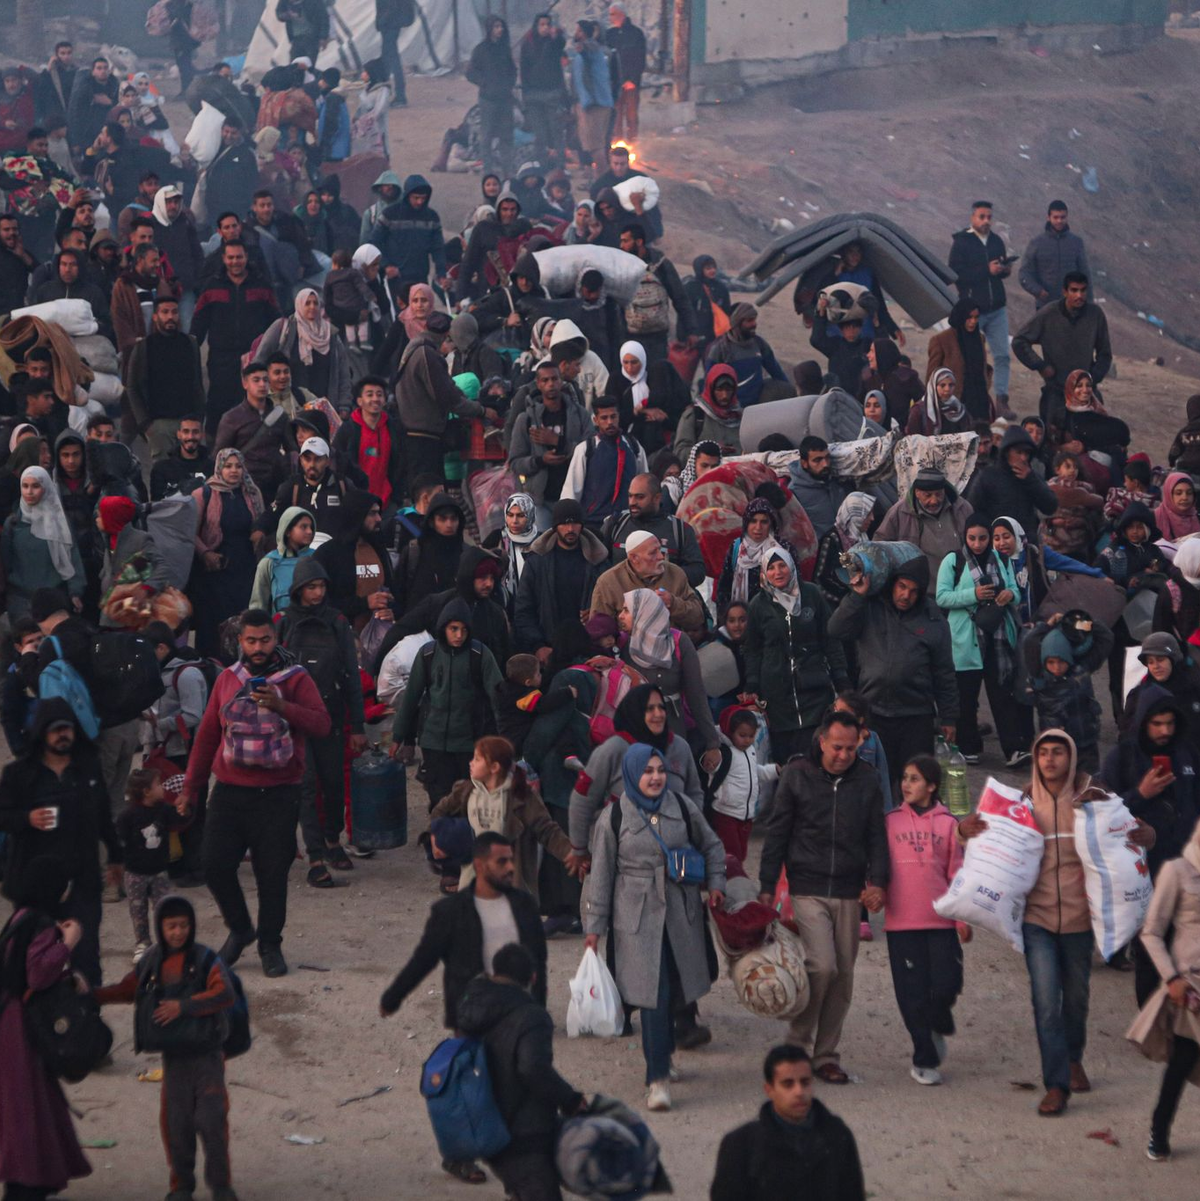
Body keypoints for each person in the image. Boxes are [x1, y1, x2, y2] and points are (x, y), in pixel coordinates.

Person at [961, 732, 1146, 1113]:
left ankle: (1074, 1058)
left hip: (1080, 921)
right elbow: (988, 844)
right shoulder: (1022, 803)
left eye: (1057, 752)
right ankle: (1056, 1084)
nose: (1049, 760)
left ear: (1071, 757)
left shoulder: (1095, 799)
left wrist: (1148, 834)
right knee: (1046, 1002)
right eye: (1042, 753)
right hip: (1037, 921)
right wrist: (964, 831)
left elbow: (1131, 835)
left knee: (1076, 999)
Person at [380, 832, 546, 1182]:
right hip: (472, 1013)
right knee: (468, 1090)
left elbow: (538, 961)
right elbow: (424, 958)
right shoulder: (451, 912)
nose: (511, 867)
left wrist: (539, 1009)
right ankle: (459, 1156)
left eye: (512, 860)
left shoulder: (524, 906)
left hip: (516, 1013)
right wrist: (394, 996)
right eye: (502, 861)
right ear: (481, 866)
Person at [182, 609, 331, 978]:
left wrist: (281, 706)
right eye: (251, 641)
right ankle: (240, 929)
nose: (259, 647)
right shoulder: (227, 679)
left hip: (278, 794)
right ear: (240, 642)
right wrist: (190, 789)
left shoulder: (296, 679)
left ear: (276, 638)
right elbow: (207, 736)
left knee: (272, 874)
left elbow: (322, 724)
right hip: (229, 792)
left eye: (265, 639)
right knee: (214, 864)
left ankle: (269, 944)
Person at [584, 742, 725, 1110]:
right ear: (632, 774)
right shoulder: (614, 817)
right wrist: (594, 928)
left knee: (677, 987)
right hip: (637, 920)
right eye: (647, 771)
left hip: (681, 914)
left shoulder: (682, 806)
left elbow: (712, 846)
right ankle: (657, 1078)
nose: (656, 777)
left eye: (660, 770)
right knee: (651, 994)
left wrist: (716, 884)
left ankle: (665, 1054)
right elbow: (600, 875)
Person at [756, 708, 887, 1081]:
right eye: (837, 747)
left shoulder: (867, 779)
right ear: (822, 741)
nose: (843, 755)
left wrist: (878, 881)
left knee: (843, 976)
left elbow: (876, 835)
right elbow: (777, 832)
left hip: (849, 890)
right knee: (822, 966)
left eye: (850, 749)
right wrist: (767, 885)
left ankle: (826, 1055)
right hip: (806, 887)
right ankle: (797, 1046)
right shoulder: (797, 775)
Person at [95, 893, 239, 1201]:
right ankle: (181, 1187)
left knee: (212, 1120)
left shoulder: (205, 958)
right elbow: (127, 990)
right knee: (177, 1124)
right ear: (160, 927)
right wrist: (91, 995)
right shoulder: (151, 961)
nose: (178, 932)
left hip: (208, 1055)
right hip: (174, 1060)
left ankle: (221, 1186)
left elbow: (225, 994)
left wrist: (183, 1006)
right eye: (171, 926)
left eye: (184, 925)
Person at [458, 941, 589, 1201]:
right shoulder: (532, 1017)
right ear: (533, 978)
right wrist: (571, 1100)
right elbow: (532, 1068)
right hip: (522, 1134)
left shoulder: (471, 1004)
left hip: (482, 1122)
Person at [0, 855, 94, 1201]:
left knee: (29, 1101)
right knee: (28, 1104)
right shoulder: (40, 923)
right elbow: (38, 974)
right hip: (22, 1027)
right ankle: (26, 1181)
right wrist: (67, 943)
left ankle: (35, 1178)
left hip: (11, 1019)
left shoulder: (20, 917)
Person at [1102, 683, 1200, 1005]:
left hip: (1187, 870)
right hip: (1141, 875)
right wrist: (1140, 795)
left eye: (1170, 723)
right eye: (1157, 724)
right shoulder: (1122, 758)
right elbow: (1101, 815)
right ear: (1144, 722)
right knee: (1149, 951)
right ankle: (1150, 1016)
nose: (1164, 731)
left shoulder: (1187, 754)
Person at [828, 553, 957, 779]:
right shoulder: (870, 608)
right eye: (902, 587)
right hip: (873, 713)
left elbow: (944, 672)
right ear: (892, 584)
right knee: (875, 780)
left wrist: (949, 717)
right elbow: (835, 629)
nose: (906, 595)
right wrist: (857, 596)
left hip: (916, 717)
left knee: (915, 783)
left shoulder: (933, 620)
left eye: (913, 591)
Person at [277, 559, 365, 888]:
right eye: (311, 587)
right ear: (299, 589)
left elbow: (352, 675)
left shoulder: (337, 622)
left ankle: (332, 839)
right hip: (296, 720)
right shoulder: (284, 623)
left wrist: (358, 726)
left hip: (331, 717)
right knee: (307, 785)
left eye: (321, 586)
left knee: (333, 783)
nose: (317, 593)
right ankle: (315, 855)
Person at [883, 755, 966, 1085]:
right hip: (901, 923)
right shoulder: (890, 822)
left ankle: (939, 1018)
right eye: (904, 777)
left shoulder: (948, 825)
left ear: (932, 786)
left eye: (915, 779)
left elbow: (958, 872)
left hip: (941, 921)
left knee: (948, 983)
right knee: (912, 995)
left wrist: (962, 918)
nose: (906, 784)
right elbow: (878, 866)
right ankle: (924, 1057)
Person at [1127, 822, 1200, 1161]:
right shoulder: (1178, 871)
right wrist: (1171, 978)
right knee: (1183, 1059)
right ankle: (1160, 1128)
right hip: (1191, 988)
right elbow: (1151, 931)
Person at [710, 1045, 865, 1201]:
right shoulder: (740, 1145)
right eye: (788, 1084)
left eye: (805, 1082)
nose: (799, 1092)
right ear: (769, 1090)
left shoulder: (837, 1135)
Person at [428, 734, 577, 897]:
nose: (471, 763)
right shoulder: (467, 791)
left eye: (477, 759)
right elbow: (439, 812)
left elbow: (546, 830)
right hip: (472, 880)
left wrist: (572, 853)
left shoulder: (521, 797)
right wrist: (436, 838)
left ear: (494, 767)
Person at [935, 514, 1030, 766]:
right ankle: (968, 747)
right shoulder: (953, 560)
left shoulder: (1000, 558)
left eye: (983, 538)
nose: (977, 544)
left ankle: (1013, 749)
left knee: (1002, 695)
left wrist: (1009, 594)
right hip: (965, 638)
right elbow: (942, 597)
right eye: (972, 538)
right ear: (964, 537)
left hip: (997, 637)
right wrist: (974, 594)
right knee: (966, 697)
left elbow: (1016, 591)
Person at [193, 241, 281, 436]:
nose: (235, 262)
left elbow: (276, 322)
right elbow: (199, 322)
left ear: (246, 257)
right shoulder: (211, 286)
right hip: (221, 358)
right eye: (231, 257)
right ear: (224, 259)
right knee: (218, 402)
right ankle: (215, 445)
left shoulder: (261, 285)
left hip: (255, 357)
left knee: (254, 402)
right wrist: (190, 350)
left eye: (239, 257)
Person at [190, 448, 265, 659]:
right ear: (219, 468)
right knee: (213, 627)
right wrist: (205, 553)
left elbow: (262, 522)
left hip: (245, 569)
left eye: (238, 466)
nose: (234, 471)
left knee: (242, 622)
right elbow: (190, 533)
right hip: (214, 572)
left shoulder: (252, 493)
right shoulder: (203, 494)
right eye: (228, 466)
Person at [1012, 271, 1111, 430]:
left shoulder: (1095, 315)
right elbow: (1020, 341)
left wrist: (1093, 378)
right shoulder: (1049, 314)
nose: (1079, 295)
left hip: (1086, 394)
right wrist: (1040, 365)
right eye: (1074, 290)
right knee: (1053, 438)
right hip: (1056, 392)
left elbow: (1105, 354)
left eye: (1083, 290)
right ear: (1065, 292)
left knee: (1092, 438)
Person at [514, 498, 608, 657]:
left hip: (589, 650)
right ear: (555, 526)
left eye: (575, 523)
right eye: (564, 523)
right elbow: (524, 610)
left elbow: (612, 606)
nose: (570, 529)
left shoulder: (598, 562)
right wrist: (538, 646)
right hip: (550, 649)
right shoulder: (537, 563)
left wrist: (596, 614)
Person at [115, 767, 192, 960]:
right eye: (158, 784)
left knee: (164, 909)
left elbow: (180, 819)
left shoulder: (164, 809)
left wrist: (185, 809)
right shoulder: (128, 815)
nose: (162, 787)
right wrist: (118, 864)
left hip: (159, 871)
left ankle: (166, 943)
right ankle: (143, 943)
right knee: (138, 911)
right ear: (146, 791)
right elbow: (119, 841)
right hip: (135, 873)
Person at [124, 296, 206, 462]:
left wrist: (199, 417)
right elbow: (132, 387)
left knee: (193, 471)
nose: (170, 317)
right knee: (163, 472)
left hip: (188, 422)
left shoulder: (190, 344)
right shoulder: (144, 347)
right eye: (165, 312)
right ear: (155, 316)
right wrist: (145, 423)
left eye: (174, 312)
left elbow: (197, 384)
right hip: (159, 424)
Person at [948, 201, 1012, 407]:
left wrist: (1004, 270)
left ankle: (1001, 400)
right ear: (972, 218)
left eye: (989, 217)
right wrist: (986, 270)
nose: (986, 221)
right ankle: (967, 398)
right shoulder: (962, 242)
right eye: (982, 217)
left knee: (1002, 356)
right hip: (973, 311)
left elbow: (998, 273)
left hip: (997, 308)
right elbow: (956, 275)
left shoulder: (996, 241)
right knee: (970, 357)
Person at [1, 466, 85, 622]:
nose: (29, 492)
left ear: (46, 488)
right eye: (25, 486)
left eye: (35, 486)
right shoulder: (13, 523)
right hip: (19, 600)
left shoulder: (59, 522)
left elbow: (72, 557)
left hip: (53, 599)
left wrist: (75, 592)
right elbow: (6, 563)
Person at [314, 488, 397, 630]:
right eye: (372, 513)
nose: (379, 519)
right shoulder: (327, 553)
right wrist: (365, 603)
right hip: (341, 632)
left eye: (379, 513)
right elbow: (320, 602)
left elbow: (394, 592)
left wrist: (392, 611)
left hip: (380, 632)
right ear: (357, 515)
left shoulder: (379, 549)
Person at [602, 473, 705, 587]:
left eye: (640, 497)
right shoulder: (615, 524)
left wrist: (663, 576)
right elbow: (598, 562)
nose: (632, 502)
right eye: (630, 496)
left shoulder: (680, 530)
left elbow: (697, 571)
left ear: (657, 498)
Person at [560, 394, 646, 529]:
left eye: (613, 416)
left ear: (619, 417)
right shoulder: (585, 449)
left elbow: (644, 484)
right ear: (595, 420)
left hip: (628, 523)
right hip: (592, 523)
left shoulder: (634, 447)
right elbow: (572, 490)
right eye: (604, 418)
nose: (610, 422)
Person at [875, 466, 973, 578]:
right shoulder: (899, 512)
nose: (934, 501)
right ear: (917, 492)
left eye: (939, 494)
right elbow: (879, 545)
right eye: (928, 495)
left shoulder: (962, 508)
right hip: (919, 585)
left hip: (960, 584)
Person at [966, 423, 1059, 541]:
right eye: (1019, 452)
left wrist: (1030, 480)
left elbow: (1050, 506)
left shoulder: (1031, 475)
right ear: (1007, 452)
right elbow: (973, 511)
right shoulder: (988, 476)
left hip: (1026, 542)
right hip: (998, 543)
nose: (1023, 458)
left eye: (1026, 453)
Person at [618, 224, 693, 367]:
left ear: (639, 242)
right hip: (631, 337)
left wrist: (691, 330)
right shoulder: (621, 266)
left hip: (657, 338)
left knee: (657, 374)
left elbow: (680, 297)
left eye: (625, 241)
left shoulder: (661, 265)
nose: (621, 246)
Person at [369, 173, 448, 288]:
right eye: (416, 198)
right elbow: (375, 242)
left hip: (420, 276)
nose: (420, 202)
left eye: (423, 198)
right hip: (395, 277)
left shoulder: (432, 217)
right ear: (407, 195)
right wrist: (386, 265)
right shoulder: (390, 214)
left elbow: (438, 248)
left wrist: (441, 273)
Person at [704, 303, 788, 408]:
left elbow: (777, 372)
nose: (754, 324)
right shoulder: (720, 348)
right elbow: (709, 383)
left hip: (757, 406)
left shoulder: (759, 344)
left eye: (754, 320)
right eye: (749, 321)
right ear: (737, 323)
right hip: (731, 408)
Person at [926, 300, 993, 421]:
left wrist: (986, 384)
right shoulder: (941, 340)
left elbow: (981, 366)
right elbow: (932, 375)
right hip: (953, 403)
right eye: (969, 317)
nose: (973, 321)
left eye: (976, 317)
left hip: (979, 401)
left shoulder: (979, 338)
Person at [467, 17, 517, 177]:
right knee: (487, 136)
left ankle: (507, 170)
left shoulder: (505, 49)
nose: (499, 29)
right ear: (489, 29)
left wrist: (509, 84)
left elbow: (512, 70)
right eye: (496, 26)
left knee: (506, 136)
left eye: (501, 26)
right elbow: (470, 72)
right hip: (488, 100)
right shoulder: (481, 50)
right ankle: (488, 170)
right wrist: (484, 83)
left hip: (505, 99)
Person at [1019, 200, 1090, 309]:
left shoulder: (1076, 242)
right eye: (1056, 217)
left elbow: (1085, 273)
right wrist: (1038, 291)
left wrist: (1089, 303)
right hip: (1045, 306)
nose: (1059, 221)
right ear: (1048, 218)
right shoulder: (1037, 243)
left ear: (1067, 217)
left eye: (1062, 217)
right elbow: (1024, 273)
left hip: (1072, 305)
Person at [519, 13, 568, 165]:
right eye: (542, 24)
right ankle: (541, 164)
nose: (545, 28)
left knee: (556, 131)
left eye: (547, 24)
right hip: (533, 94)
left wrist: (556, 36)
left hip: (552, 93)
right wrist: (526, 93)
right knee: (539, 133)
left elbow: (561, 45)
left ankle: (560, 166)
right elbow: (524, 69)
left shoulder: (553, 42)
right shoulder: (528, 43)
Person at [570, 21, 614, 175]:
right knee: (592, 146)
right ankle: (598, 179)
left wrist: (589, 41)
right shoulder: (582, 54)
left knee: (596, 147)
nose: (576, 33)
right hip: (588, 104)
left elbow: (589, 48)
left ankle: (603, 180)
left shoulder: (592, 49)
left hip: (595, 104)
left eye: (579, 31)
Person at [787, 435, 849, 542]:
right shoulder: (795, 492)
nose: (825, 464)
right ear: (804, 463)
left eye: (827, 458)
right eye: (817, 460)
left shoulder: (837, 482)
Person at [605, 4, 645, 143]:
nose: (610, 18)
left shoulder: (636, 34)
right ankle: (617, 143)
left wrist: (632, 79)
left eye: (613, 14)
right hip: (615, 83)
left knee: (631, 115)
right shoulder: (609, 34)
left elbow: (640, 59)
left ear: (621, 14)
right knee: (616, 115)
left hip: (631, 83)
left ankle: (632, 142)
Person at [150, 414, 213, 501]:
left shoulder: (212, 467)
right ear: (178, 434)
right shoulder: (161, 469)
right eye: (186, 432)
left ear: (202, 435)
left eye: (195, 432)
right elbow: (156, 504)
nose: (190, 437)